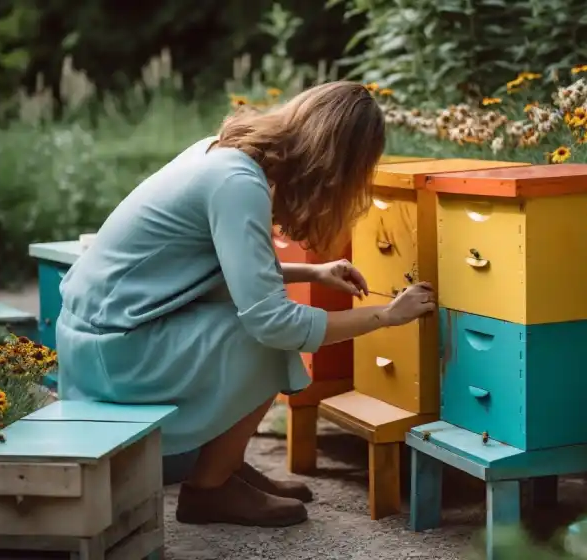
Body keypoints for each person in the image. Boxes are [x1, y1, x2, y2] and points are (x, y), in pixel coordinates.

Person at [54, 81, 436, 528]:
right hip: (114, 352)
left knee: (261, 324)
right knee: (267, 338)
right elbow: (271, 322)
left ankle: (226, 465)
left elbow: (215, 264)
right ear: (335, 163)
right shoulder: (236, 183)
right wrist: (386, 316)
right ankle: (210, 489)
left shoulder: (224, 157)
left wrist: (311, 273)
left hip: (104, 335)